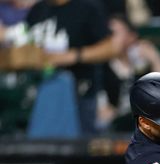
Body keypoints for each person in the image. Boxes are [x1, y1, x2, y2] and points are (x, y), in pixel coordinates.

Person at [24, 0, 119, 134]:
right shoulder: (38, 10)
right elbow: (23, 44)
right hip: (39, 91)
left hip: (80, 93)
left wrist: (73, 56)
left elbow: (111, 48)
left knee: (79, 147)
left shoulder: (87, 7)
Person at [98, 15, 160, 131]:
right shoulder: (102, 67)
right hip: (115, 129)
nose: (109, 37)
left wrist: (155, 60)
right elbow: (103, 113)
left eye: (114, 33)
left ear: (131, 36)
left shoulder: (141, 65)